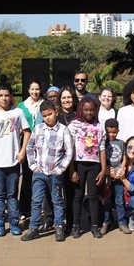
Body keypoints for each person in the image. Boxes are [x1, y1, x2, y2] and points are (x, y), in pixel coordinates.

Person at [0, 83, 31, 237]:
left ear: (11, 96)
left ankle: (14, 222)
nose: (4, 98)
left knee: (12, 194)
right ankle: (0, 224)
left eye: (7, 95)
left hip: (13, 162)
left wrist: (22, 151)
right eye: (0, 95)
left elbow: (27, 132)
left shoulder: (18, 113)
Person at [21, 100, 73, 242]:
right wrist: (33, 166)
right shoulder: (38, 129)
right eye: (44, 116)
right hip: (39, 172)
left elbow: (69, 152)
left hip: (55, 173)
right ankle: (33, 228)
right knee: (36, 200)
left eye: (50, 114)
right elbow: (30, 148)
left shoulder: (64, 130)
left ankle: (59, 227)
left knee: (57, 200)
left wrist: (60, 169)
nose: (47, 118)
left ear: (56, 112)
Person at [67, 96, 107, 238]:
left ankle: (95, 226)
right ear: (81, 110)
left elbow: (102, 148)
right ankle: (76, 226)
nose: (89, 113)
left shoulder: (100, 126)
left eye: (91, 110)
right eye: (86, 110)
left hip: (94, 166)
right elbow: (70, 149)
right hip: (78, 165)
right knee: (77, 196)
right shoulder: (74, 125)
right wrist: (72, 170)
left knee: (93, 196)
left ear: (95, 110)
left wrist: (103, 169)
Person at [17, 80, 44, 220]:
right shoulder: (21, 106)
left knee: (42, 176)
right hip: (27, 144)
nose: (35, 92)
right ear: (28, 90)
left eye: (37, 89)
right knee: (27, 177)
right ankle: (24, 208)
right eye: (32, 89)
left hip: (42, 145)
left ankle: (42, 208)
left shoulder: (44, 104)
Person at [100, 118, 131, 235]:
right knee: (106, 200)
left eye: (114, 132)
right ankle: (106, 221)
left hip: (118, 177)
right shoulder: (103, 143)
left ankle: (122, 222)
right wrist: (107, 170)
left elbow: (125, 158)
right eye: (108, 132)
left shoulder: (121, 143)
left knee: (119, 200)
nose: (111, 135)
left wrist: (121, 170)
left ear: (118, 131)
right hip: (107, 177)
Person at [56, 85, 78, 232]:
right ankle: (57, 222)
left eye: (69, 97)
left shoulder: (79, 116)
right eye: (64, 97)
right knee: (56, 194)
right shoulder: (55, 117)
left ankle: (71, 223)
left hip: (75, 161)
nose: (67, 100)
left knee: (72, 193)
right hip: (58, 161)